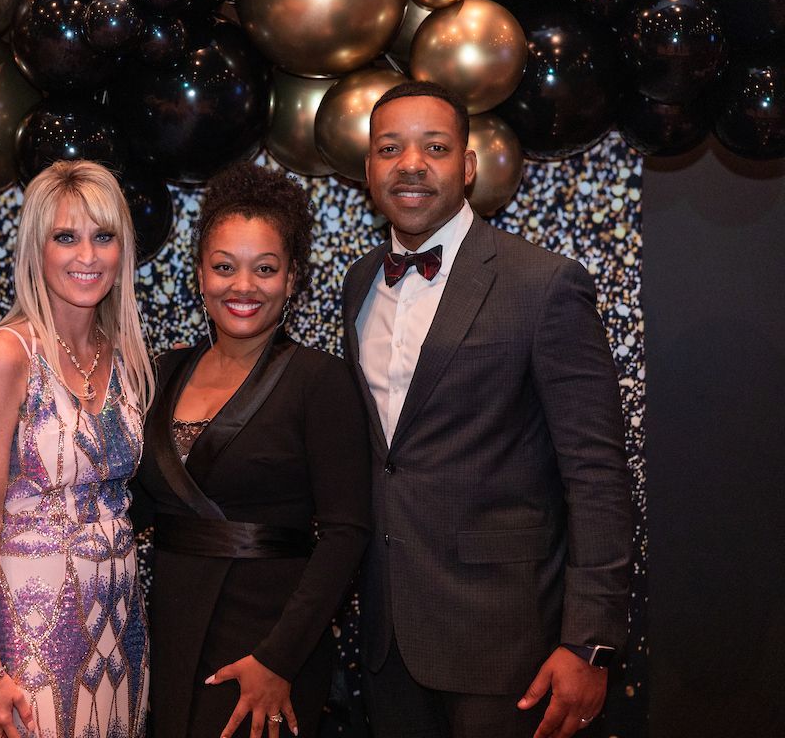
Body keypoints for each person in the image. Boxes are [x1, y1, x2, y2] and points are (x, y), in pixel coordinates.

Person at [342, 80, 632, 738]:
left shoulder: (544, 284)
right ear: (368, 170)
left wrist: (590, 642)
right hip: (388, 639)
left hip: (508, 643)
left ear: (467, 167)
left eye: (434, 147)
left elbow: (596, 472)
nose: (410, 163)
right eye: (389, 147)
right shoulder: (359, 284)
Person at [135, 162, 372, 738]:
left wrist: (279, 658)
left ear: (292, 279)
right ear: (200, 274)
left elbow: (348, 534)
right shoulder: (162, 372)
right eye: (224, 267)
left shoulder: (322, 381)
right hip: (167, 634)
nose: (243, 286)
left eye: (265, 269)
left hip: (268, 642)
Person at [0, 160, 154, 738]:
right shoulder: (5, 355)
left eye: (104, 236)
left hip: (120, 625)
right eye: (65, 237)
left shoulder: (122, 354)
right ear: (36, 250)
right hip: (32, 629)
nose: (87, 256)